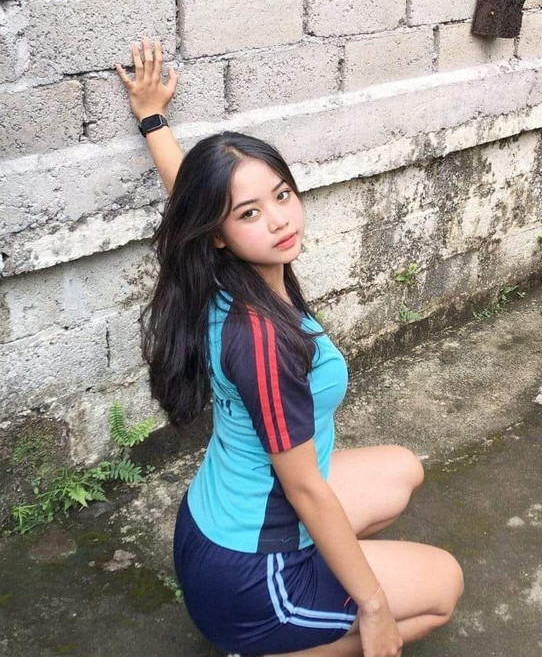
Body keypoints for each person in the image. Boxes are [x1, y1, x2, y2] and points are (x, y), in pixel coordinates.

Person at [115, 37, 464, 657]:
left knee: (401, 471)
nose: (279, 219)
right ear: (218, 233)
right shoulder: (262, 342)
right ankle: (270, 644)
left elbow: (188, 194)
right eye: (249, 214)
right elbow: (304, 490)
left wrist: (152, 120)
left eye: (281, 195)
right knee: (443, 587)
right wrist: (374, 607)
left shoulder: (226, 272)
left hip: (214, 525)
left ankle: (307, 607)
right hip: (250, 575)